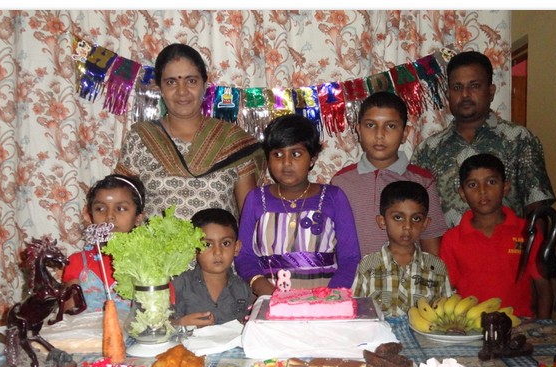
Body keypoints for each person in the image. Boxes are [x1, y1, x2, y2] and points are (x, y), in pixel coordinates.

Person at [115, 43, 267, 221]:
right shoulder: (140, 138)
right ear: (159, 88)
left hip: (218, 240)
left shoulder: (232, 140)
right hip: (154, 239)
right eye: (171, 82)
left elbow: (249, 219)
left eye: (191, 81)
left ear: (205, 84)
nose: (182, 91)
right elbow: (119, 204)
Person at [411, 50, 556, 228]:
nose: (465, 94)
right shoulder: (427, 150)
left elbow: (537, 208)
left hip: (507, 245)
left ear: (491, 91)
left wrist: (535, 245)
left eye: (474, 86)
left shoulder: (519, 139)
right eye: (457, 87)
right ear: (448, 94)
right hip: (446, 246)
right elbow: (414, 211)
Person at [235, 114, 361, 297]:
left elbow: (350, 258)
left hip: (325, 301)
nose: (286, 163)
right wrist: (265, 289)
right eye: (277, 154)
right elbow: (244, 256)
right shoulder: (255, 199)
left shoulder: (333, 197)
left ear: (312, 158)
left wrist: (329, 297)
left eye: (296, 154)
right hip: (271, 301)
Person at [331, 91, 447, 256]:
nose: (379, 135)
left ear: (404, 133)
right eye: (370, 125)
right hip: (355, 273)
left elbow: (431, 246)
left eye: (390, 126)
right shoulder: (341, 182)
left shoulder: (423, 181)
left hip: (409, 272)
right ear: (359, 131)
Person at [439, 153, 553, 319]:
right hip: (470, 325)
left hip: (520, 324)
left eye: (491, 182)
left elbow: (543, 286)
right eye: (472, 185)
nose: (482, 191)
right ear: (462, 193)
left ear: (505, 187)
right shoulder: (452, 239)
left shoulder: (528, 232)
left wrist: (543, 326)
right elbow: (446, 291)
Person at [352, 181, 452, 317]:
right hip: (379, 331)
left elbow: (446, 312)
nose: (407, 226)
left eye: (416, 219)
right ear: (382, 221)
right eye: (398, 217)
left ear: (425, 223)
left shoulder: (436, 267)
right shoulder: (369, 265)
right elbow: (356, 311)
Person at [62, 174, 146, 314]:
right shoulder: (78, 262)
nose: (109, 216)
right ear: (89, 215)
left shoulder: (148, 263)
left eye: (121, 208)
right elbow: (69, 313)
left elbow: (164, 314)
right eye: (100, 209)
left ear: (138, 218)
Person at [171, 208, 252, 327]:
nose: (217, 252)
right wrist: (180, 323)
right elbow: (154, 326)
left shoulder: (243, 290)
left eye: (225, 243)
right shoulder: (179, 285)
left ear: (236, 247)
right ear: (194, 249)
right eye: (207, 244)